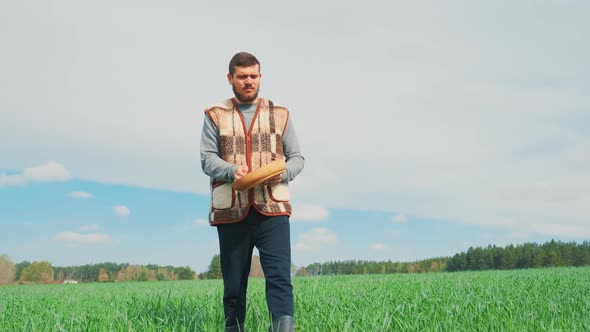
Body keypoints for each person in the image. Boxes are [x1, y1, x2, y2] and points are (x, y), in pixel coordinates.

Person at [200, 52, 305, 332]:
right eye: (242, 76)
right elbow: (207, 159)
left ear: (260, 77)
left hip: (272, 211)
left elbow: (297, 158)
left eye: (253, 76)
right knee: (234, 285)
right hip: (231, 212)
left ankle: (283, 327)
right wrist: (231, 171)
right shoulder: (215, 115)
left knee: (280, 278)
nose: (248, 81)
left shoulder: (280, 114)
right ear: (230, 78)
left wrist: (281, 174)